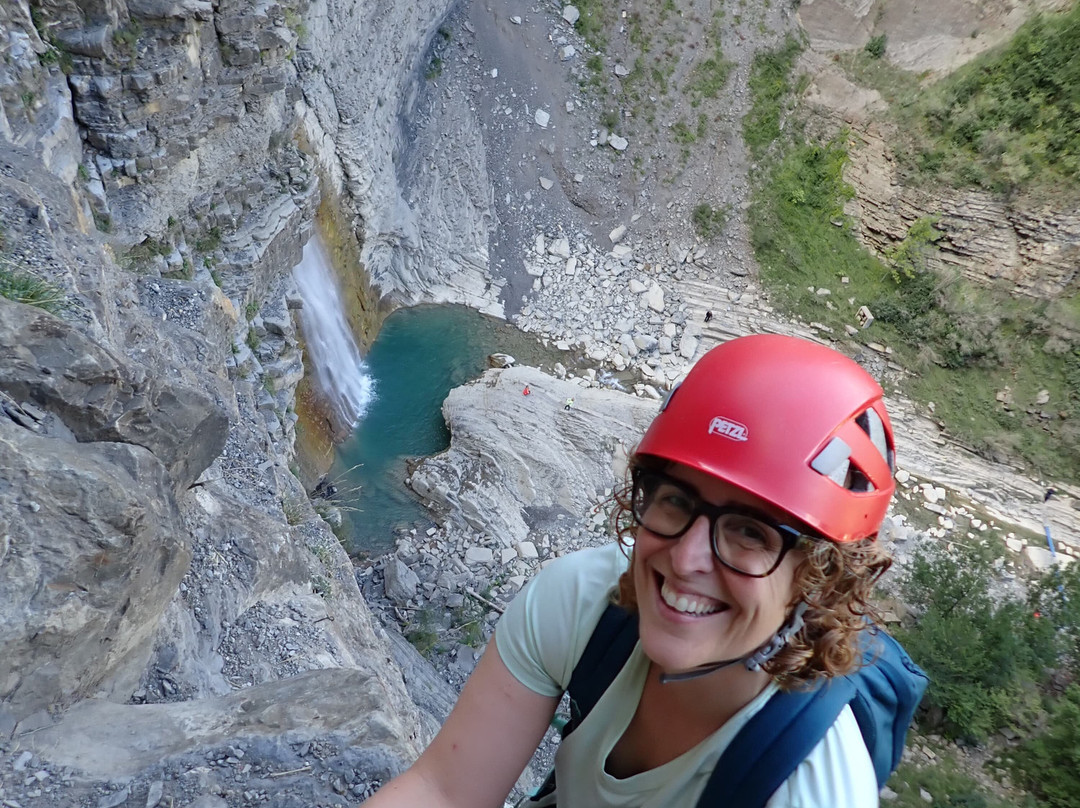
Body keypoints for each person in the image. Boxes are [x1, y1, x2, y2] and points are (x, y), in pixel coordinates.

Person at [364, 334, 897, 808]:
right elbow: (445, 790)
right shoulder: (584, 602)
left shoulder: (806, 788)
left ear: (821, 577)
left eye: (750, 532)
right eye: (676, 500)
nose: (686, 560)